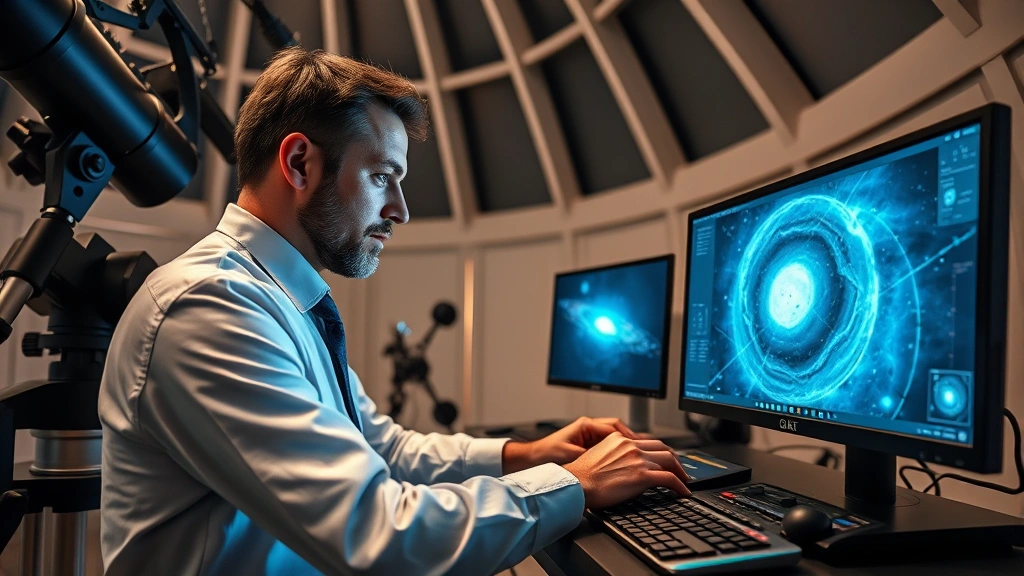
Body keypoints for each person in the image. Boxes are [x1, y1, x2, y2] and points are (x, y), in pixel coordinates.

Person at [98, 46, 691, 576]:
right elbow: (376, 535)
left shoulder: (279, 301)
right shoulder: (209, 309)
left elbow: (383, 449)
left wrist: (525, 456)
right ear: (299, 163)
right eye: (383, 176)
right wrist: (574, 485)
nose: (401, 210)